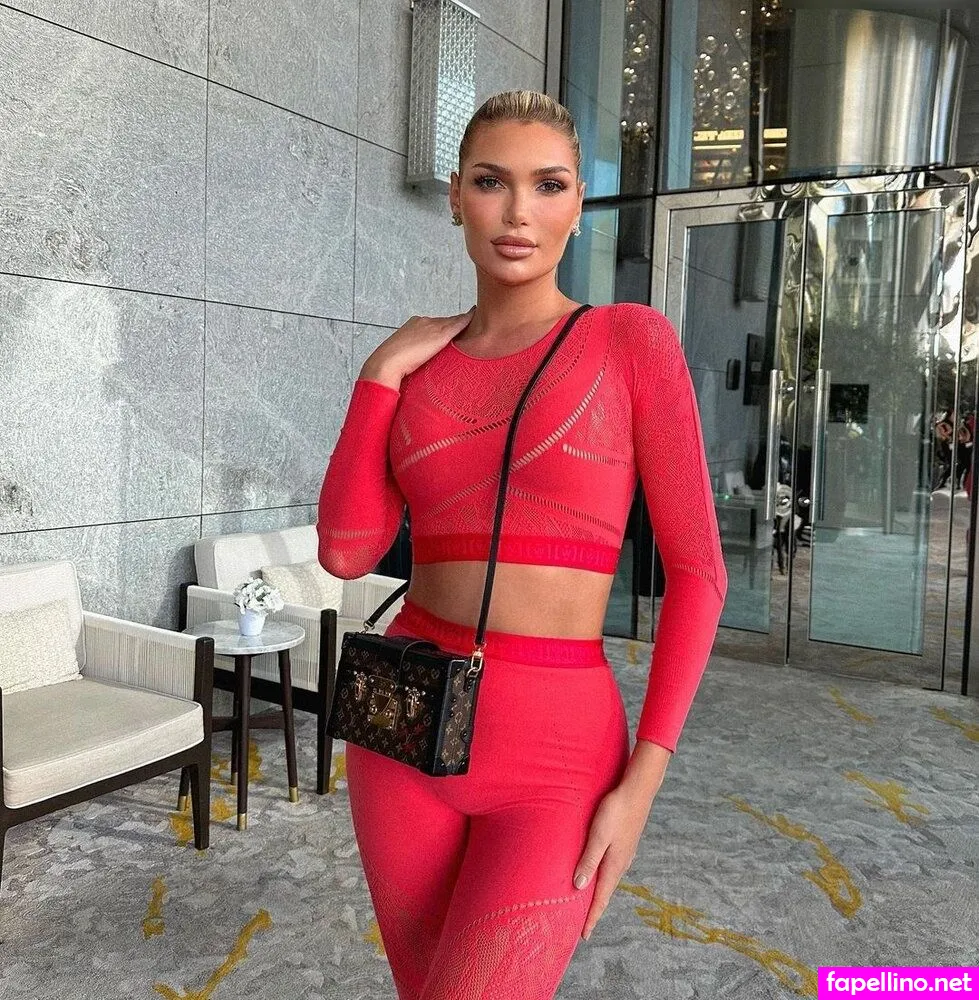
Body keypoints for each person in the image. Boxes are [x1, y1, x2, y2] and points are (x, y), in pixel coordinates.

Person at [316, 90, 727, 1000]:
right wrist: (378, 375)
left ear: (577, 206)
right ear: (455, 197)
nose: (517, 212)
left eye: (548, 185)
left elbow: (699, 574)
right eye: (489, 182)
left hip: (555, 758)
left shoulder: (626, 341)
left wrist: (642, 782)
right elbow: (346, 553)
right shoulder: (418, 366)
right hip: (403, 731)